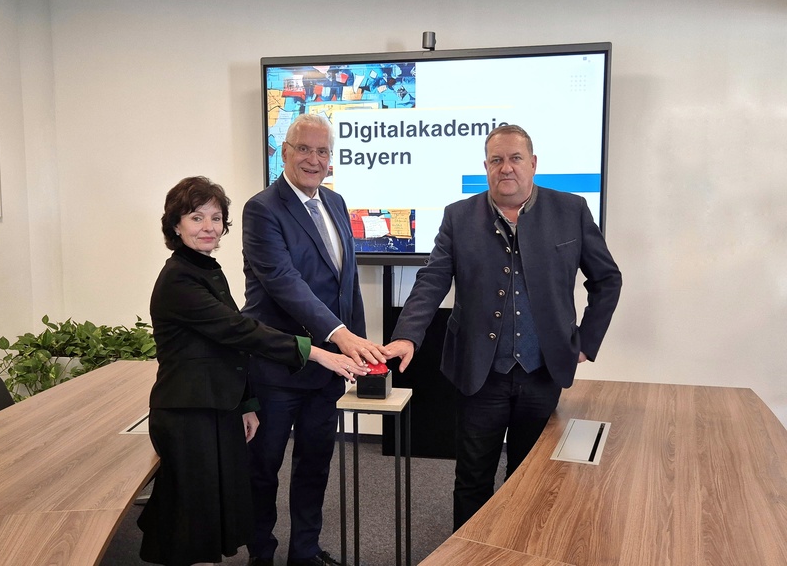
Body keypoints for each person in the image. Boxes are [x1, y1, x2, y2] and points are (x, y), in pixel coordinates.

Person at [385, 124, 622, 530]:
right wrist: (407, 334)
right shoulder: (458, 217)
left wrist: (585, 341)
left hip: (543, 370)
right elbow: (432, 279)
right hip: (480, 373)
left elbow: (607, 279)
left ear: (533, 164)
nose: (506, 168)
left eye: (515, 158)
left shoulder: (571, 210)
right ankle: (470, 555)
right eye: (496, 160)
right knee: (473, 477)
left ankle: (518, 551)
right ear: (486, 167)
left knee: (531, 479)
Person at [138, 176, 367, 566]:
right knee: (193, 516)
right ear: (175, 225)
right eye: (196, 218)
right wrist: (321, 352)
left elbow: (227, 347)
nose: (208, 227)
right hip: (187, 413)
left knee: (204, 515)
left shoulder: (205, 268)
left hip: (212, 405)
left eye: (215, 218)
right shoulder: (179, 278)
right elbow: (241, 329)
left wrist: (245, 402)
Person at [242, 114, 387, 566]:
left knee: (315, 464)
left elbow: (346, 284)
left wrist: (359, 345)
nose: (313, 159)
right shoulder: (262, 209)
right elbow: (285, 284)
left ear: (331, 160)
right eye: (304, 149)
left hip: (328, 372)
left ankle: (304, 551)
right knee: (263, 470)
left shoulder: (337, 203)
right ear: (283, 152)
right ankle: (260, 554)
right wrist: (341, 337)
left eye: (323, 151)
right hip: (278, 368)